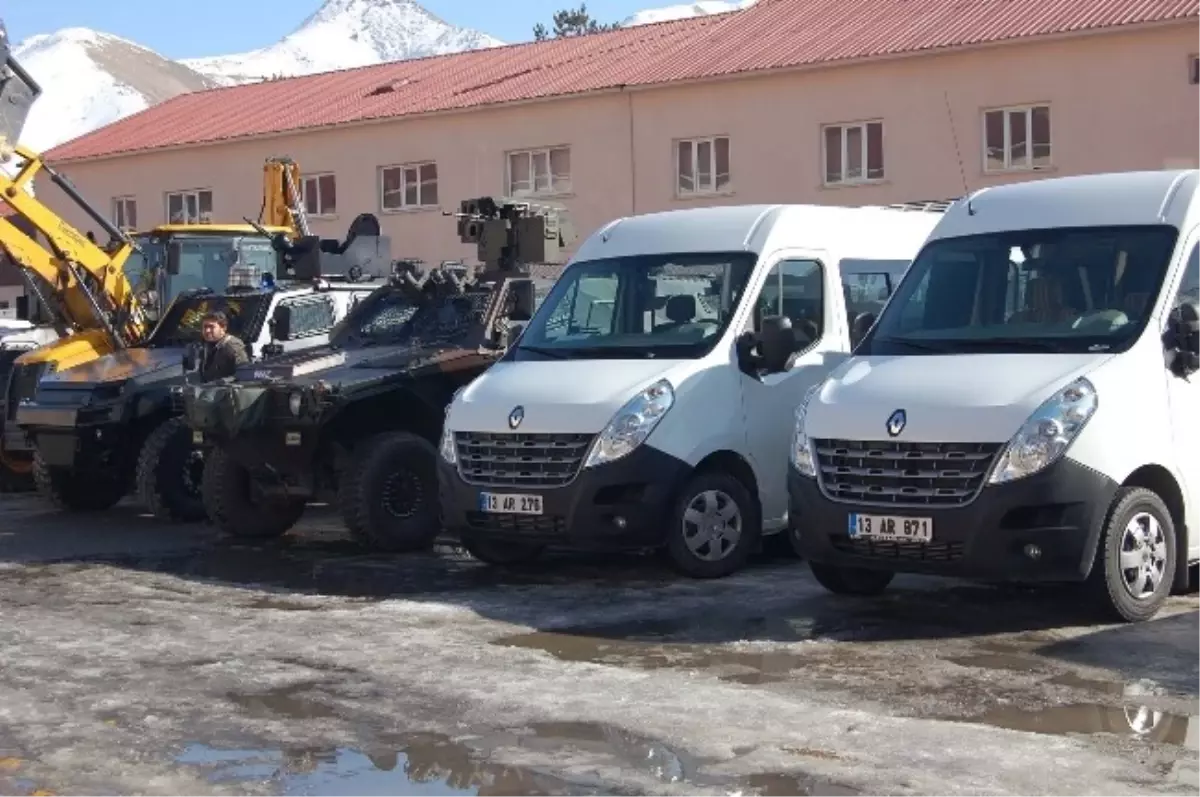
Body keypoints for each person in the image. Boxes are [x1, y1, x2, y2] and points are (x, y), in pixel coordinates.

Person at [198, 311, 248, 381]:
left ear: (223, 328)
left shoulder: (232, 346)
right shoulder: (205, 346)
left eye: (211, 327)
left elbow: (243, 373)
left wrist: (224, 381)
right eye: (205, 327)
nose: (207, 330)